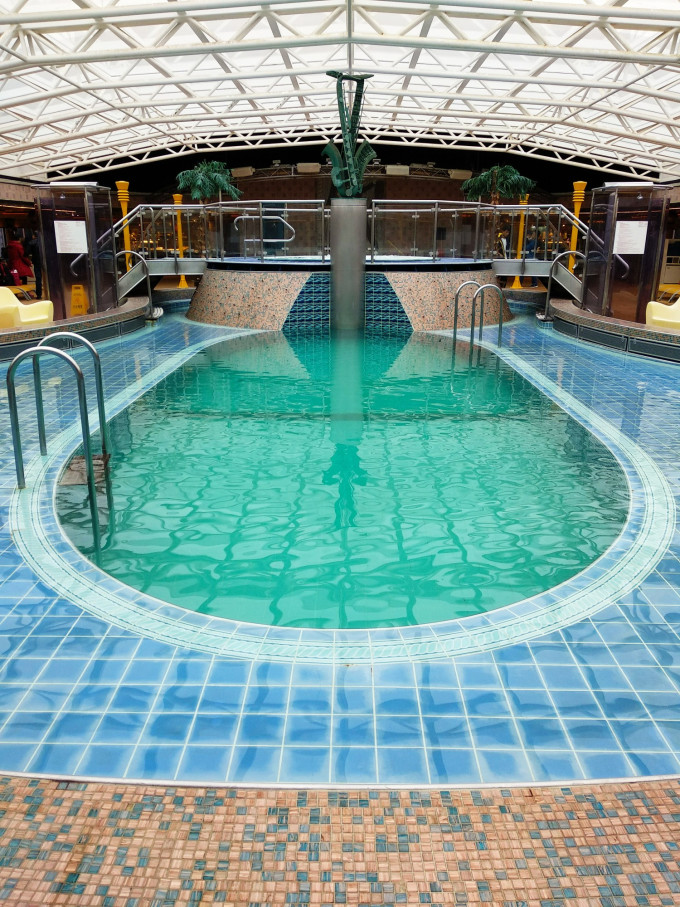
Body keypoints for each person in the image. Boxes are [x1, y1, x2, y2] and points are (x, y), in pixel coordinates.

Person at [24, 229, 42, 298]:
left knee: (38, 278)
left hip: (36, 261)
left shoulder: (31, 243)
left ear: (33, 236)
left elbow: (26, 253)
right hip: (45, 261)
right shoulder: (44, 242)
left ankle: (39, 294)